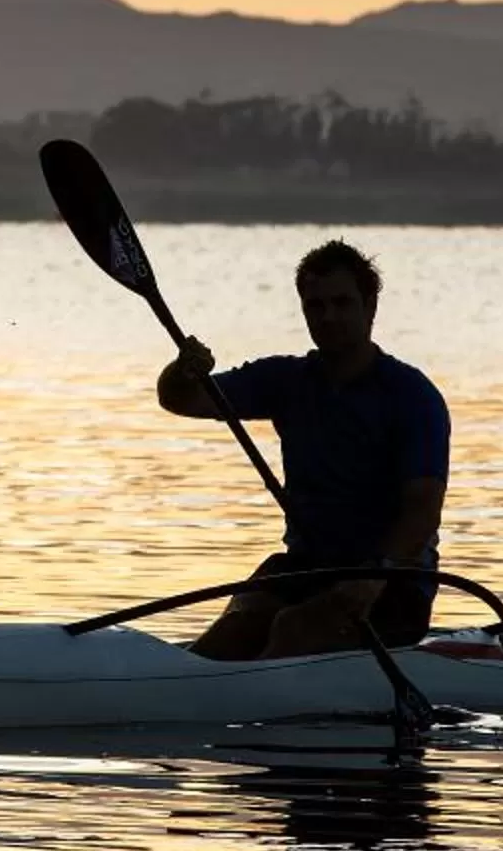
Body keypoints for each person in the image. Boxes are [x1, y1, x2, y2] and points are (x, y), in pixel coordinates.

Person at [154, 239, 448, 660]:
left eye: (342, 303)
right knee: (229, 636)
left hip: (393, 581)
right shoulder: (285, 379)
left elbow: (423, 509)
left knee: (294, 629)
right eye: (316, 306)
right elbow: (180, 399)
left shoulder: (413, 396)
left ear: (370, 307)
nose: (328, 317)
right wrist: (182, 371)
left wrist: (373, 578)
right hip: (309, 565)